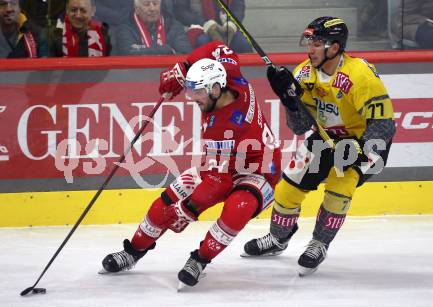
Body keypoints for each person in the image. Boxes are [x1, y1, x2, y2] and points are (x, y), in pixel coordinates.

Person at [101, 40, 281, 287]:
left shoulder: (223, 128)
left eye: (197, 92)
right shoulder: (231, 75)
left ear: (216, 89)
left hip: (260, 168)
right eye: (190, 90)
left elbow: (219, 183)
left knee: (237, 208)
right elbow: (218, 47)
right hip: (221, 165)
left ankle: (200, 259)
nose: (191, 98)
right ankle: (133, 251)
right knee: (165, 202)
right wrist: (182, 67)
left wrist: (188, 209)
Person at [242, 17, 396, 277]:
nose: (309, 48)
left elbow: (383, 125)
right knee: (289, 186)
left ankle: (319, 243)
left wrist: (360, 154)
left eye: (317, 43)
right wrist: (289, 99)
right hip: (326, 139)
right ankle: (278, 238)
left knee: (339, 188)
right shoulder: (304, 74)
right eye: (309, 42)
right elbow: (301, 126)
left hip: (365, 143)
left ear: (334, 48)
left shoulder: (360, 75)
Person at [116, 0, 192, 55]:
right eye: (146, 4)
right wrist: (166, 50)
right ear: (137, 9)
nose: (152, 9)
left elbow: (186, 53)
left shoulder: (173, 25)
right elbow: (127, 53)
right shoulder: (125, 27)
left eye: (155, 4)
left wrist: (144, 50)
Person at [173, 0, 253, 52]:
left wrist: (231, 24)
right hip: (200, 26)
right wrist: (206, 24)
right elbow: (181, 11)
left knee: (243, 43)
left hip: (227, 25)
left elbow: (238, 7)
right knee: (203, 42)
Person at [46, 0, 111, 57]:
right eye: (73, 10)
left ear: (92, 11)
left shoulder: (103, 36)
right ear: (67, 10)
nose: (78, 15)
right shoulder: (55, 35)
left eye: (83, 10)